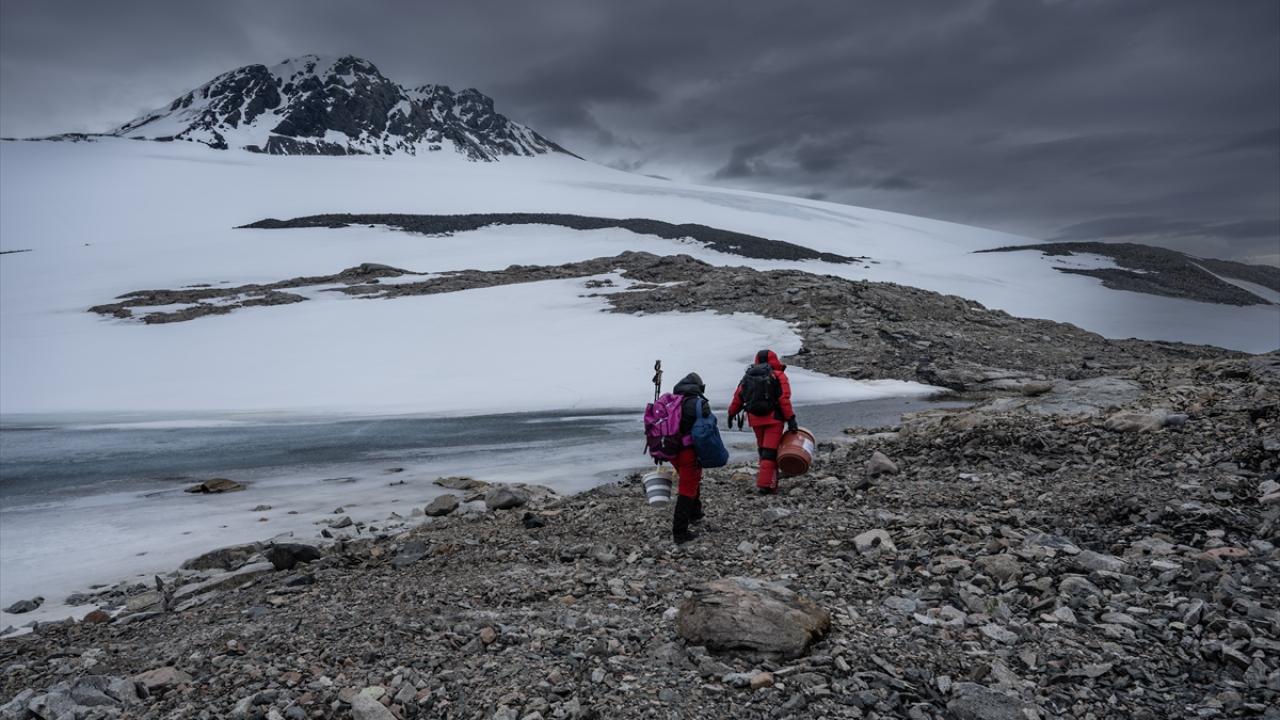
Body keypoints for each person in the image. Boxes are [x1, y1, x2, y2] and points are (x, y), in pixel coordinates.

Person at [727, 349, 797, 495]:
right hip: (774, 419)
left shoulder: (749, 375)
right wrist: (791, 419)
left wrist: (731, 413)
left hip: (755, 419)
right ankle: (766, 486)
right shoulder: (778, 375)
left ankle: (768, 482)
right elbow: (783, 399)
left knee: (763, 451)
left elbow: (738, 397)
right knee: (770, 453)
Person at [671, 372, 712, 544]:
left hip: (672, 450)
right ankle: (680, 532)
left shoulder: (672, 402)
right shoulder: (698, 404)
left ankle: (695, 513)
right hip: (689, 451)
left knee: (692, 480)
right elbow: (709, 427)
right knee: (687, 488)